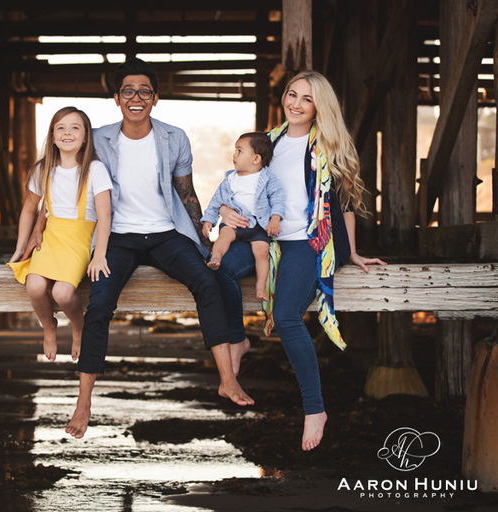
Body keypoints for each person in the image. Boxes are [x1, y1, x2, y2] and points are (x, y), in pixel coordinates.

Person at [61, 58, 254, 439]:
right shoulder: (98, 138)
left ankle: (227, 380)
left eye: (144, 91)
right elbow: (65, 172)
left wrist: (205, 238)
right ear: (117, 98)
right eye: (128, 91)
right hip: (116, 236)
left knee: (206, 282)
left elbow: (186, 192)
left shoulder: (174, 137)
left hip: (166, 233)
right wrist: (42, 227)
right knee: (99, 304)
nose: (137, 97)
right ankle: (83, 401)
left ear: (156, 98)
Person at [214, 70, 386, 451]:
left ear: (318, 106)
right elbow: (241, 183)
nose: (295, 103)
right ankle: (239, 340)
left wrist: (351, 251)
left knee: (289, 315)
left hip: (308, 242)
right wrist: (225, 209)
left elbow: (345, 205)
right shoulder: (269, 141)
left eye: (306, 99)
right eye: (292, 95)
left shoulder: (326, 145)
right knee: (219, 269)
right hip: (265, 237)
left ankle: (315, 409)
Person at [8, 106, 112, 363]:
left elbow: (105, 216)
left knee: (62, 293)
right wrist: (20, 249)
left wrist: (99, 255)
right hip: (52, 236)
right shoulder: (42, 169)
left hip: (80, 239)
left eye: (75, 127)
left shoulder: (95, 170)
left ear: (86, 136)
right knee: (34, 285)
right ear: (52, 136)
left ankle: (78, 326)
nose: (68, 133)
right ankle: (49, 326)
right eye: (60, 128)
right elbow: (29, 210)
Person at [201, 132, 285, 300]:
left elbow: (278, 198)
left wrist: (275, 218)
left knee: (261, 253)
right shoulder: (230, 179)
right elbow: (216, 201)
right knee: (223, 236)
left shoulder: (267, 178)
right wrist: (209, 220)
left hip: (258, 226)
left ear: (256, 159)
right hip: (236, 224)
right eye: (235, 150)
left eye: (240, 151)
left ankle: (261, 285)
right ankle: (216, 257)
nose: (234, 155)